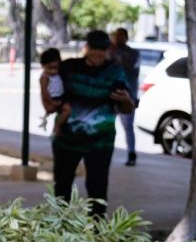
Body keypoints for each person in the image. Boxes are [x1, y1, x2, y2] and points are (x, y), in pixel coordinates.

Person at [47, 30, 134, 217]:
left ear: (108, 50)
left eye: (102, 49)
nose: (97, 53)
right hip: (66, 140)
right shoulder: (69, 67)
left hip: (100, 142)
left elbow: (127, 108)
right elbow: (50, 89)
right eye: (94, 48)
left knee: (97, 186)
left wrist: (126, 99)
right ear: (86, 47)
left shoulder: (115, 72)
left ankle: (96, 232)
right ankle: (58, 229)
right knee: (62, 186)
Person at [109, 28, 141, 166]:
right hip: (110, 94)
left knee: (128, 126)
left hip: (127, 94)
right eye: (116, 36)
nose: (118, 39)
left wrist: (117, 57)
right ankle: (107, 152)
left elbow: (133, 69)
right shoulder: (109, 52)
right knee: (109, 126)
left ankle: (131, 153)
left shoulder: (132, 53)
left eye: (121, 36)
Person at [38, 48, 71, 135]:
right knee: (67, 109)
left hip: (60, 96)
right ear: (43, 66)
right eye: (50, 68)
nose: (53, 71)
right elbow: (44, 91)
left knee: (66, 110)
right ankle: (57, 126)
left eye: (56, 68)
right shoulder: (45, 77)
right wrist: (51, 101)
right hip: (53, 97)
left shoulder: (57, 74)